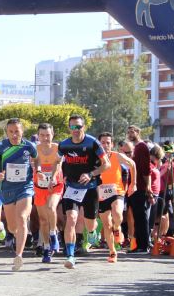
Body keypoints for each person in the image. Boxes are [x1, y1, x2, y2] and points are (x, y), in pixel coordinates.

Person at [51, 114, 110, 269]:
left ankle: (91, 232)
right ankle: (70, 255)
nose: (75, 130)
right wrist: (53, 177)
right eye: (72, 127)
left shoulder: (93, 143)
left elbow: (107, 164)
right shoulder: (64, 144)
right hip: (71, 187)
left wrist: (90, 174)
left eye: (78, 127)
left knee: (90, 223)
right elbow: (57, 162)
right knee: (71, 218)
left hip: (90, 188)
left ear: (83, 127)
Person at [0, 118, 38, 271]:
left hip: (25, 187)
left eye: (17, 131)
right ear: (7, 132)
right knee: (12, 227)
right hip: (7, 190)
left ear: (22, 131)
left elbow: (36, 159)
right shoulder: (0, 147)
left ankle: (19, 255)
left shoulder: (29, 146)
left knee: (22, 218)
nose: (14, 134)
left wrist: (39, 170)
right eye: (11, 132)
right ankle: (12, 230)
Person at [98, 132, 136, 263]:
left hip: (117, 190)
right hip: (101, 193)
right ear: (99, 144)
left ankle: (117, 228)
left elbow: (132, 165)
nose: (105, 145)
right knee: (106, 224)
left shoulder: (117, 156)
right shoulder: (94, 157)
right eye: (103, 142)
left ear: (112, 144)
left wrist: (133, 184)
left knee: (118, 214)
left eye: (108, 142)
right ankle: (112, 252)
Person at [33, 123, 64, 263]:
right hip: (39, 186)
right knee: (43, 220)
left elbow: (58, 164)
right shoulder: (35, 148)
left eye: (48, 135)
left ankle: (53, 235)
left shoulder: (58, 148)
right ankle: (46, 248)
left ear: (53, 135)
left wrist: (52, 177)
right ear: (38, 136)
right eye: (42, 135)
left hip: (55, 185)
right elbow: (36, 161)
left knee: (51, 207)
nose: (45, 138)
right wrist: (39, 172)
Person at [127, 125, 153, 254]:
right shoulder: (134, 147)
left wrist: (148, 187)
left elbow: (145, 168)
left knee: (141, 217)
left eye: (132, 132)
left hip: (140, 187)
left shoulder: (142, 147)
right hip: (133, 187)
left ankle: (144, 245)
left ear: (138, 132)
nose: (130, 134)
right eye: (129, 132)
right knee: (137, 217)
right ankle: (139, 245)